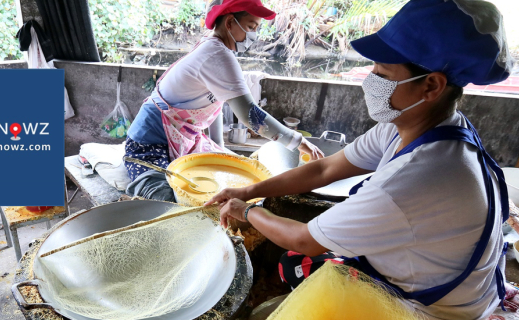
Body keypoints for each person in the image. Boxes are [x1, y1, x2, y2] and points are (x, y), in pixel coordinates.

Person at [205, 0, 513, 319]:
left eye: (382, 72)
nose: (370, 79)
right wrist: (248, 190)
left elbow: (303, 239)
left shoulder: (413, 179)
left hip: (432, 309)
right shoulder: (426, 127)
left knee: (298, 261)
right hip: (442, 275)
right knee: (295, 263)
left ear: (431, 85)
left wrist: (248, 211)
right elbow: (326, 168)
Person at [124, 0, 324, 202]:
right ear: (229, 22)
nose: (253, 36)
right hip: (148, 144)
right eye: (250, 27)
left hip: (184, 140)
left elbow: (215, 105)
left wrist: (218, 146)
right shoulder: (216, 54)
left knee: (233, 184)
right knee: (167, 201)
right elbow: (250, 115)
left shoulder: (214, 46)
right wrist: (298, 141)